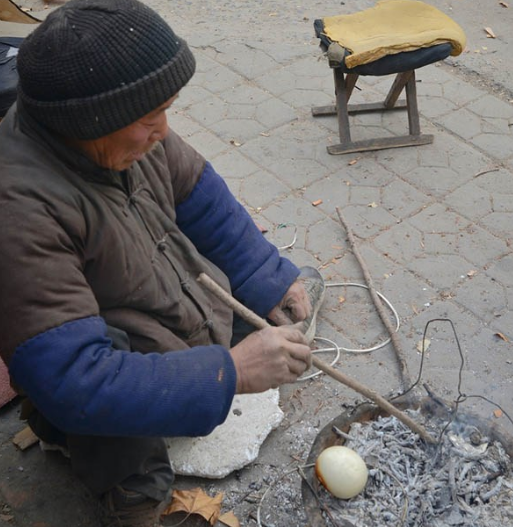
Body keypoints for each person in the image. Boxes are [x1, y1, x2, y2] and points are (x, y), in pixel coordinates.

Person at [0, 0, 324, 524]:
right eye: (150, 117)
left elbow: (202, 198)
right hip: (93, 379)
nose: (163, 129)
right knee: (100, 405)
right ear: (91, 121)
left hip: (165, 302)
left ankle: (227, 340)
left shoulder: (122, 134)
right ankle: (127, 488)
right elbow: (75, 381)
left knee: (270, 299)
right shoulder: (17, 211)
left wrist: (267, 278)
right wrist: (232, 374)